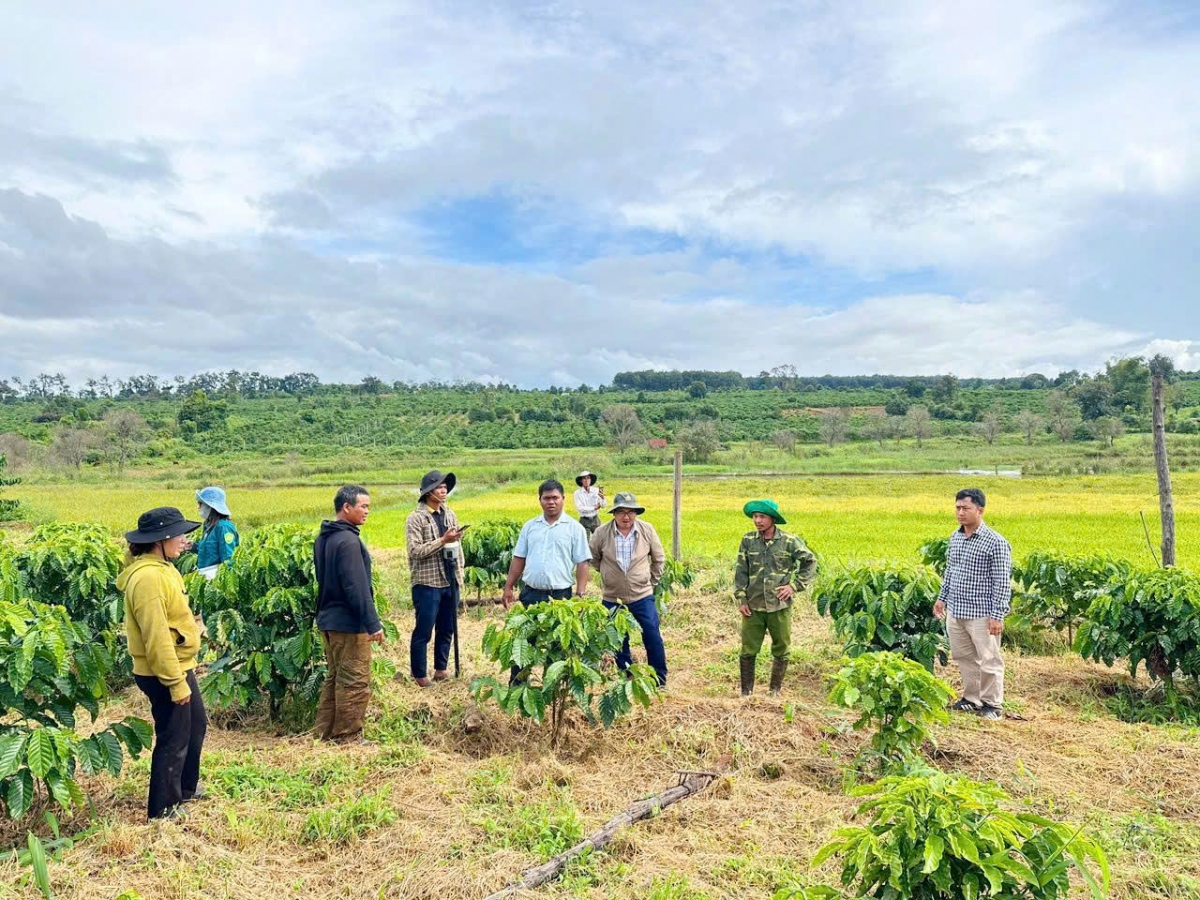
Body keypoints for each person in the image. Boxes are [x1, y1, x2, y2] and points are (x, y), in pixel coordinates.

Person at [116, 507, 207, 820]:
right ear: (161, 539)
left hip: (178, 665)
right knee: (174, 737)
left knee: (195, 726)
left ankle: (185, 789)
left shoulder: (163, 567)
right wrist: (175, 682)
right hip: (163, 672)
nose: (184, 540)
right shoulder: (148, 579)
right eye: (180, 535)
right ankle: (164, 809)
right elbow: (156, 636)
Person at [933, 488, 1012, 721]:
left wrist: (997, 615)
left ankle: (992, 704)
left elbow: (1002, 581)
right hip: (956, 611)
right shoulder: (955, 537)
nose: (960, 512)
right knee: (964, 657)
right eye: (957, 508)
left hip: (982, 614)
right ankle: (972, 699)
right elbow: (950, 571)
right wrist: (942, 598)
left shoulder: (995, 542)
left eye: (965, 508)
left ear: (980, 510)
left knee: (989, 659)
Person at [313, 485, 384, 743]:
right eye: (363, 506)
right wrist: (372, 623)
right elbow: (357, 587)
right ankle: (348, 736)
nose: (367, 511)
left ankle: (324, 732)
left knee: (334, 678)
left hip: (328, 619)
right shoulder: (349, 541)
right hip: (348, 623)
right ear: (346, 507)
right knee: (354, 681)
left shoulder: (325, 537)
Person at [735, 499, 817, 697]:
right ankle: (746, 693)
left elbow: (810, 561)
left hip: (779, 605)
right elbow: (741, 571)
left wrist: (794, 586)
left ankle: (774, 692)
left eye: (762, 516)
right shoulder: (748, 540)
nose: (757, 520)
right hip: (753, 606)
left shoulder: (789, 541)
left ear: (773, 519)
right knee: (748, 650)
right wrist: (741, 598)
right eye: (755, 516)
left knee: (781, 649)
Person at [589, 492, 668, 686]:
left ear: (636, 513)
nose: (626, 517)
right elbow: (593, 557)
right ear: (614, 513)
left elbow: (659, 558)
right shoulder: (601, 532)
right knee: (618, 639)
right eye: (621, 512)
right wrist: (609, 575)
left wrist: (651, 581)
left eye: (631, 512)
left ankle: (659, 679)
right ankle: (627, 676)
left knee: (652, 634)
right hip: (612, 597)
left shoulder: (647, 530)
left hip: (642, 596)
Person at [405, 470, 466, 687]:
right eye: (440, 487)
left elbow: (458, 547)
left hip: (450, 579)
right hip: (427, 583)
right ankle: (420, 674)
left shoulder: (450, 514)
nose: (444, 490)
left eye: (445, 487)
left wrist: (460, 571)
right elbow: (415, 550)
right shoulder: (416, 518)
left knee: (447, 627)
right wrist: (442, 540)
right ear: (429, 492)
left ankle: (441, 669)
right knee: (424, 629)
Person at [503, 479, 593, 610]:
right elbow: (519, 558)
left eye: (555, 498)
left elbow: (582, 563)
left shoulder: (575, 528)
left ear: (563, 499)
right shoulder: (529, 526)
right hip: (531, 594)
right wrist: (508, 587)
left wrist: (580, 594)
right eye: (546, 498)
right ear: (540, 500)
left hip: (561, 596)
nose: (551, 502)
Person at [193, 486, 239, 578]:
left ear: (210, 506)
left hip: (215, 575)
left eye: (200, 504)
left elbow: (228, 558)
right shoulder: (208, 525)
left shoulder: (224, 528)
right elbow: (210, 552)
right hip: (204, 574)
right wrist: (193, 546)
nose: (198, 508)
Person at [573, 471, 606, 537]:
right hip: (584, 520)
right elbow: (580, 508)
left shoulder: (596, 490)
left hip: (595, 519)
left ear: (590, 480)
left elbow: (603, 506)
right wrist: (594, 508)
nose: (586, 480)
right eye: (584, 478)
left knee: (600, 539)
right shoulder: (577, 493)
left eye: (588, 478)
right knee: (584, 541)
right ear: (581, 481)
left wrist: (603, 498)